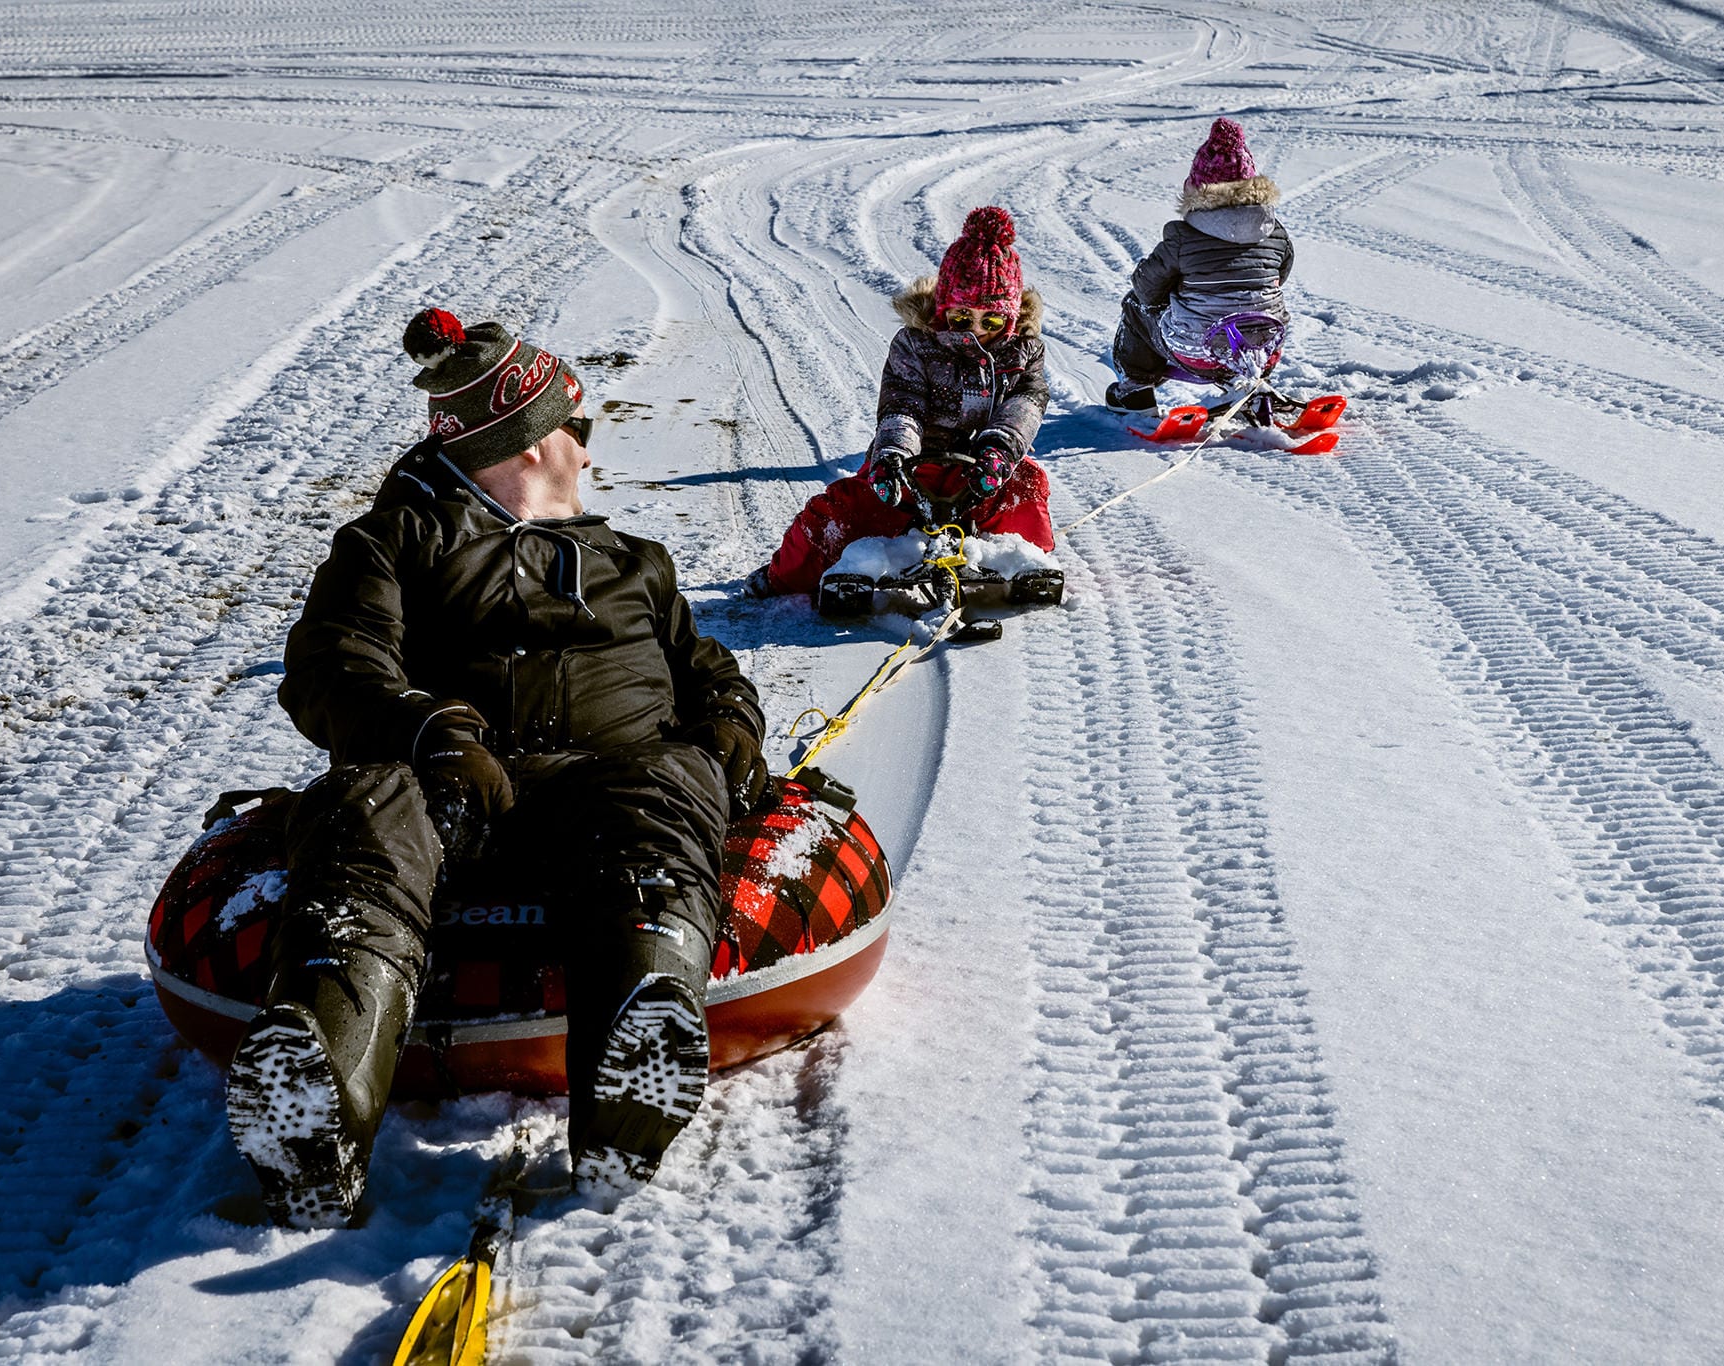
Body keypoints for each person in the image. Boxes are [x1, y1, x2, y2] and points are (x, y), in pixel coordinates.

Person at [224, 308, 768, 1227]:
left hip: (607, 791)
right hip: (449, 791)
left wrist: (730, 727)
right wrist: (427, 729)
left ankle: (633, 1068)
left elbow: (707, 670)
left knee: (663, 786)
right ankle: (321, 1096)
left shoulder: (636, 562)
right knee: (365, 801)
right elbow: (332, 665)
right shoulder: (397, 541)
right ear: (526, 444)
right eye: (577, 430)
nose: (589, 454)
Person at [746, 206, 1058, 612]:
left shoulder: (1025, 352)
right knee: (838, 512)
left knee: (1028, 484)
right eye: (963, 317)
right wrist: (893, 456)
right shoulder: (915, 345)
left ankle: (1023, 562)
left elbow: (1024, 405)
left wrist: (998, 454)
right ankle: (782, 576)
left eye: (992, 321)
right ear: (945, 309)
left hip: (984, 469)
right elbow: (902, 405)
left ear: (1011, 320)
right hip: (915, 469)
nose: (977, 329)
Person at [1106, 118, 1295, 415]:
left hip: (1199, 352)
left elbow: (1146, 290)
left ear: (1197, 188)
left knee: (1135, 306)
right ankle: (1244, 379)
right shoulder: (1276, 232)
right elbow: (1280, 275)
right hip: (1265, 348)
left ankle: (1135, 392)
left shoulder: (1183, 238)